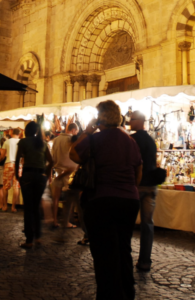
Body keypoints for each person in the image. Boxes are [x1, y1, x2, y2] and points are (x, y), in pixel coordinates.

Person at [70, 100, 142, 300]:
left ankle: (108, 296)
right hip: (129, 200)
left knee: (104, 253)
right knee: (123, 248)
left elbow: (73, 154)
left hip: (101, 199)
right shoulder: (130, 141)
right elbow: (138, 171)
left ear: (100, 117)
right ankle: (128, 293)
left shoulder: (95, 139)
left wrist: (87, 131)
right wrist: (128, 189)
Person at [128, 111, 159, 272]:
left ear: (140, 121)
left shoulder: (132, 140)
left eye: (132, 119)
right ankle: (145, 260)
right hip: (151, 186)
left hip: (137, 185)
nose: (129, 122)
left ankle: (126, 255)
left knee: (128, 222)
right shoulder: (150, 140)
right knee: (147, 224)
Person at [15, 122, 53, 249]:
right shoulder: (43, 143)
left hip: (28, 175)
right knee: (36, 207)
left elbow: (17, 159)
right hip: (40, 176)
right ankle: (38, 237)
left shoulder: (23, 142)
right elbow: (51, 161)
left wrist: (17, 176)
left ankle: (29, 240)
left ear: (27, 131)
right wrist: (46, 175)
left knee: (28, 208)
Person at [50, 123, 79, 227]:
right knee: (68, 200)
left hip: (58, 171)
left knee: (56, 198)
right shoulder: (72, 140)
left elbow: (52, 155)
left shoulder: (56, 140)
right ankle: (66, 221)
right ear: (74, 130)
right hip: (69, 172)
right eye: (76, 131)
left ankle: (54, 220)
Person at [0, 129, 21, 212]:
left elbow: (3, 155)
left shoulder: (7, 142)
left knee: (5, 186)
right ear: (19, 134)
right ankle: (13, 207)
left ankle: (5, 206)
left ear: (12, 133)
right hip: (18, 165)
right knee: (16, 186)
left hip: (8, 164)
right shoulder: (21, 142)